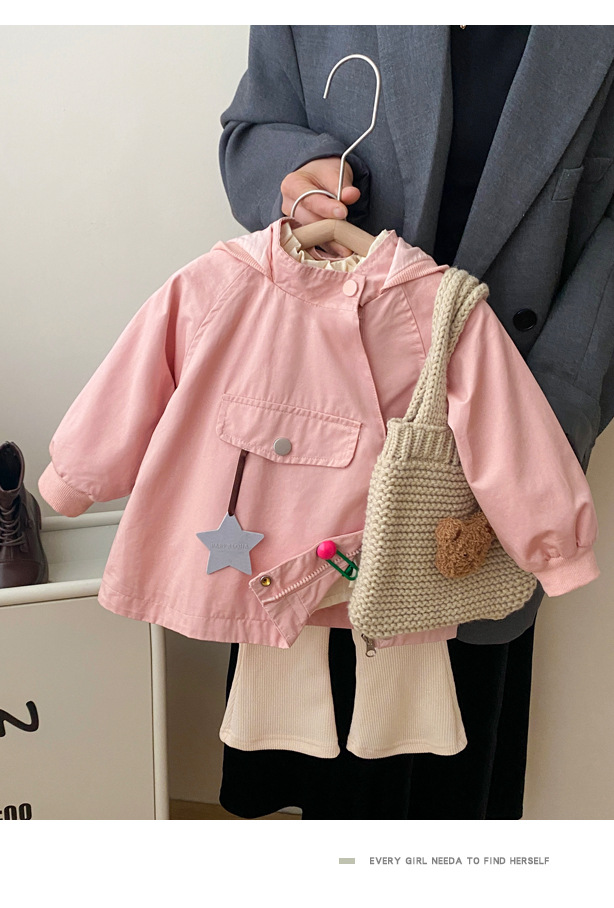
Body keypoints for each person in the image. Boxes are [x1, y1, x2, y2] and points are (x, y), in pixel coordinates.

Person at [216, 25, 614, 820]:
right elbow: (251, 131)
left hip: (501, 436)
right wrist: (294, 176)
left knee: (445, 771)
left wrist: (543, 420)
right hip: (316, 433)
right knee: (311, 728)